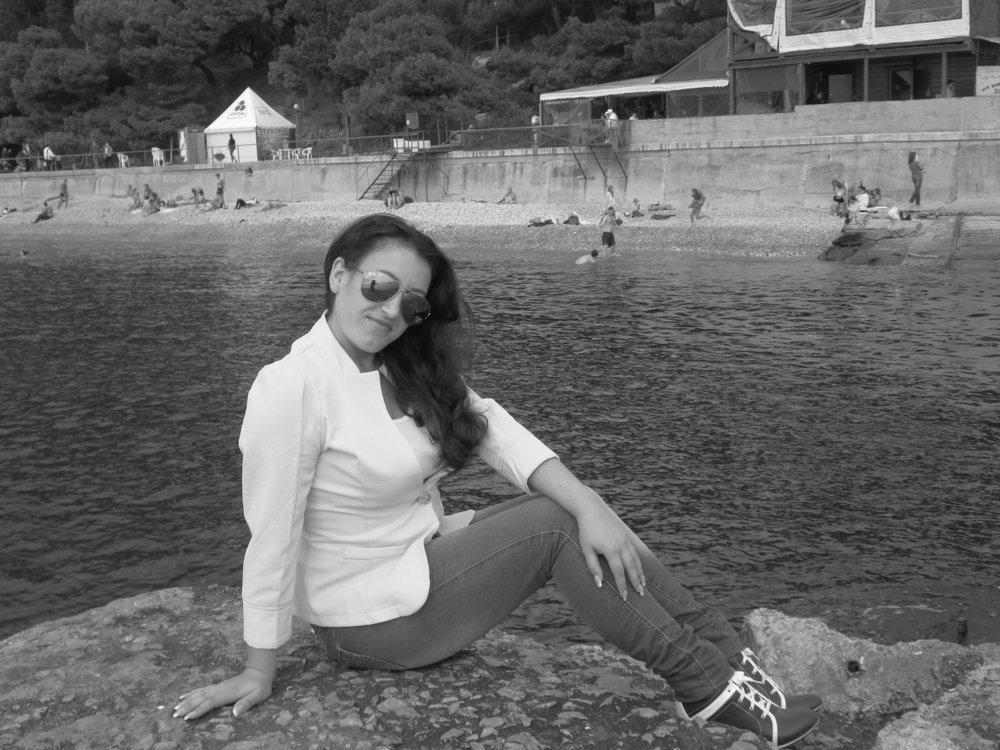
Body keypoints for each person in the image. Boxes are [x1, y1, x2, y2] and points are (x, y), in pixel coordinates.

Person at [173, 214, 822, 748]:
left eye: (412, 302)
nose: (391, 309)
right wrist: (259, 666)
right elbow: (271, 532)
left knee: (585, 513)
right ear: (339, 275)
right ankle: (704, 685)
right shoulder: (291, 387)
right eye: (378, 285)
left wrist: (591, 500)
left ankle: (736, 668)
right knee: (556, 526)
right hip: (367, 619)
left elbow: (494, 429)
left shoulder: (399, 366)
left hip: (417, 562)